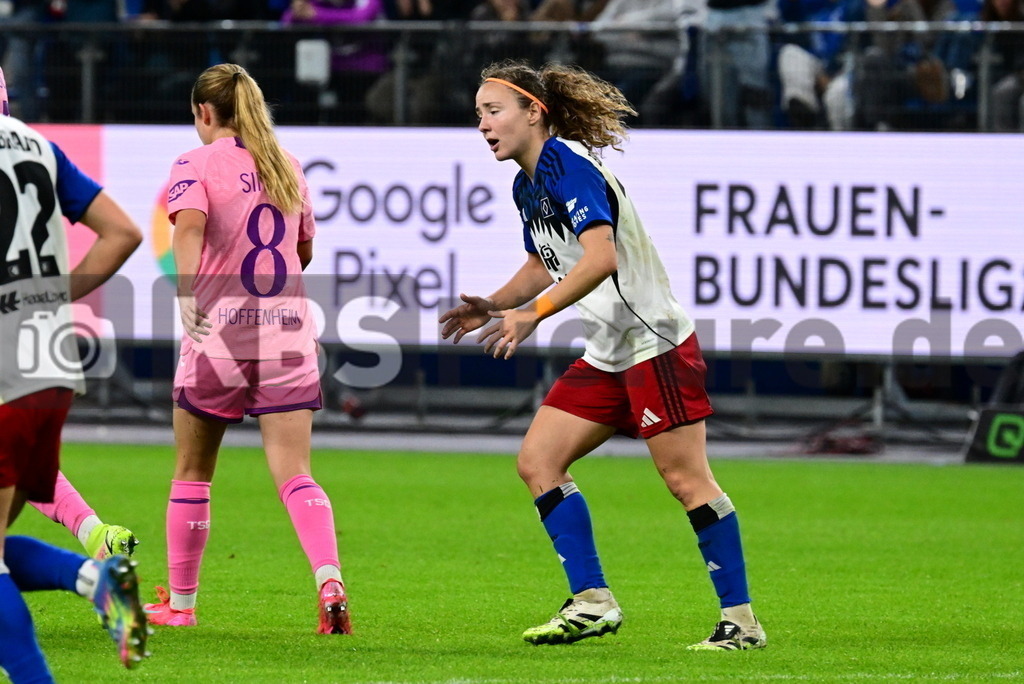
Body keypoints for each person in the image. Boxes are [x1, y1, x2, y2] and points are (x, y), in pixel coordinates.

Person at [439, 60, 766, 650]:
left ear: (533, 111)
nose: (483, 125)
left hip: (653, 343)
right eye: (478, 115)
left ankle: (741, 623)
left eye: (493, 111)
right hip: (610, 350)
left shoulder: (570, 167)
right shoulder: (528, 182)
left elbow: (600, 258)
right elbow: (548, 261)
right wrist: (492, 304)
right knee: (538, 461)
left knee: (685, 479)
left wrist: (532, 315)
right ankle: (592, 601)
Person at [142, 63, 351, 635]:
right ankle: (329, 578)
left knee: (192, 471)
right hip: (286, 329)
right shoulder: (288, 166)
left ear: (204, 113)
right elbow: (302, 251)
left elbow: (186, 230)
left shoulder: (195, 163)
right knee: (296, 473)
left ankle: (181, 607)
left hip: (220, 330)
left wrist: (189, 293)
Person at [0, 72, 148, 679]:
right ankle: (98, 576)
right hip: (49, 360)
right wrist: (51, 298)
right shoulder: (36, 145)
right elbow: (125, 232)